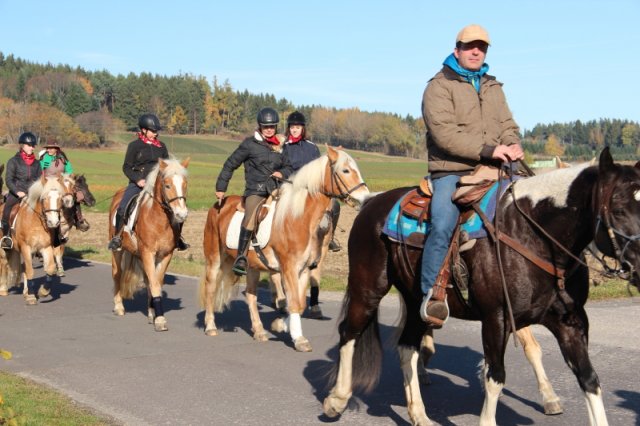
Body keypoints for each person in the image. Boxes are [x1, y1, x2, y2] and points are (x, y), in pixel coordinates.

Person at [419, 24, 524, 325]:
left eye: (482, 47)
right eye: (470, 46)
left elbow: (508, 123)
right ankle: (431, 294)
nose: (476, 51)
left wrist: (513, 143)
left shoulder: (492, 86)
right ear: (457, 50)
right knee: (442, 222)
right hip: (451, 170)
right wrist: (489, 149)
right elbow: (443, 135)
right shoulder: (438, 86)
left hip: (495, 168)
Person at [215, 107, 293, 276]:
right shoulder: (249, 144)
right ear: (260, 127)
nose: (269, 129)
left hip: (277, 190)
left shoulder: (280, 145)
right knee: (251, 217)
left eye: (272, 126)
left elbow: (288, 166)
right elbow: (230, 164)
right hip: (256, 191)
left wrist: (282, 173)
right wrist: (221, 187)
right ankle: (241, 257)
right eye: (266, 127)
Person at [107, 113, 189, 251]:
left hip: (157, 185)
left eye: (156, 131)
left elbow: (166, 167)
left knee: (178, 205)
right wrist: (137, 180)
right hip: (139, 183)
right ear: (143, 130)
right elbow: (126, 167)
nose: (155, 134)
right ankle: (118, 237)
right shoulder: (134, 146)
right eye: (152, 131)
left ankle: (178, 237)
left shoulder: (161, 146)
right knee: (122, 206)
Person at [282, 111, 342, 252]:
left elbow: (319, 167)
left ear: (303, 129)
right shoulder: (283, 146)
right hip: (290, 187)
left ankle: (330, 237)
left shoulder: (311, 147)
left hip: (310, 188)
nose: (295, 130)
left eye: (298, 127)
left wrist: (332, 154)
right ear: (288, 128)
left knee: (335, 205)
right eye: (292, 127)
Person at [1, 132, 43, 250]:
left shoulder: (37, 163)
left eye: (33, 145)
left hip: (32, 194)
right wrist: (17, 191)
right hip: (17, 193)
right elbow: (9, 180)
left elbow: (40, 179)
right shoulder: (13, 161)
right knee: (7, 210)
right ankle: (6, 236)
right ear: (22, 146)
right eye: (29, 145)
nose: (32, 147)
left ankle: (52, 236)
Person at [39, 142, 90, 232]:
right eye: (47, 148)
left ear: (56, 149)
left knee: (73, 196)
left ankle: (79, 219)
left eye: (51, 148)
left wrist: (67, 178)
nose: (48, 150)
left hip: (61, 183)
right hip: (47, 183)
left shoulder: (63, 160)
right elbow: (39, 170)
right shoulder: (44, 158)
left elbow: (70, 172)